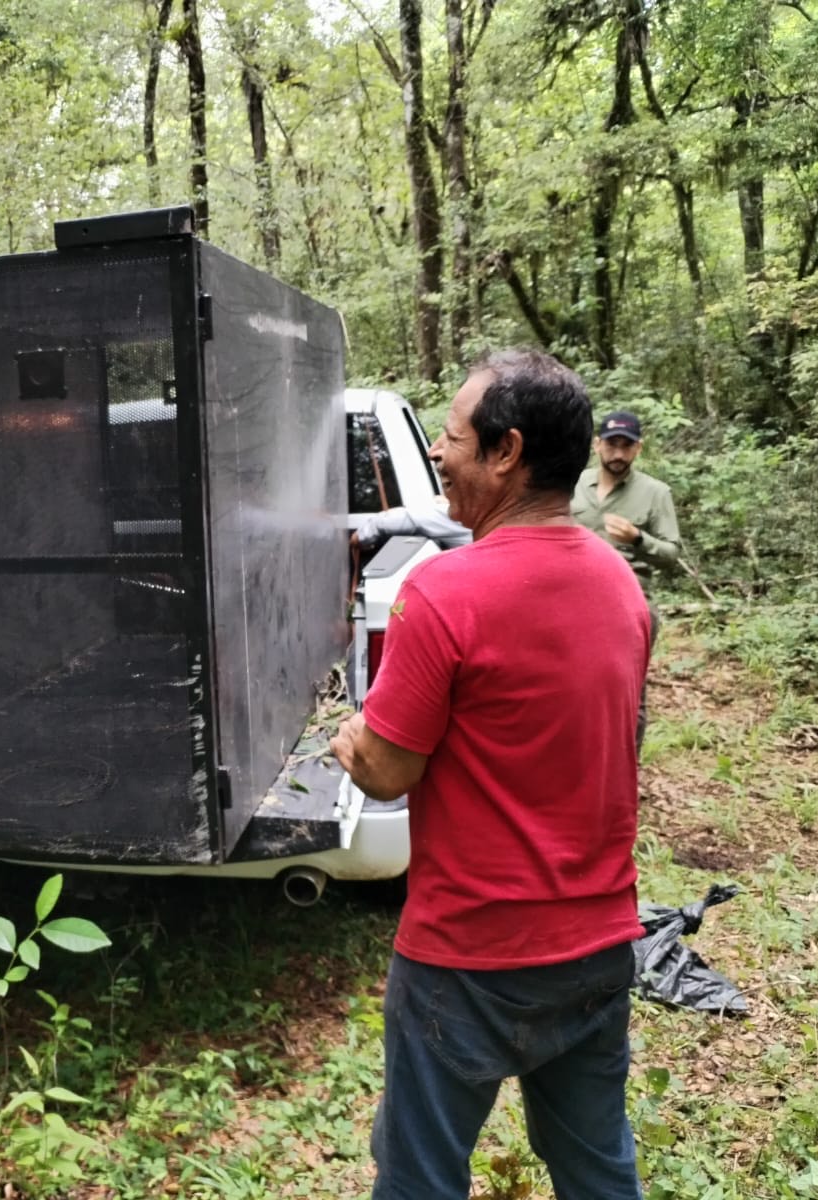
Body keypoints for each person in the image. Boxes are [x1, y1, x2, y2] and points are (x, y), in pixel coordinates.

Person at [329, 350, 650, 1200]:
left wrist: (347, 737)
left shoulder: (442, 593)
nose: (438, 452)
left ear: (504, 452)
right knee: (597, 1168)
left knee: (420, 1180)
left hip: (467, 959)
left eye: (450, 435)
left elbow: (388, 771)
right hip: (598, 943)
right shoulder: (621, 588)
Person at [570, 410, 680, 748]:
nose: (618, 454)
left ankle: (623, 776)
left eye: (626, 446)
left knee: (629, 696)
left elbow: (672, 554)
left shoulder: (655, 492)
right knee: (571, 686)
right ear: (597, 444)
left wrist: (638, 539)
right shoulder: (572, 483)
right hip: (571, 602)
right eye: (612, 444)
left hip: (629, 604)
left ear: (638, 449)